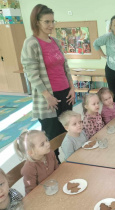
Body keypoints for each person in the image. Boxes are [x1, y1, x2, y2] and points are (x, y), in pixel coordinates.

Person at [21, 4, 75, 161]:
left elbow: (65, 66)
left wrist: (72, 87)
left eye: (53, 21)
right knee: (51, 137)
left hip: (66, 93)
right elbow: (32, 73)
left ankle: (71, 160)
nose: (51, 25)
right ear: (37, 22)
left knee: (67, 131)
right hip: (49, 97)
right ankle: (54, 166)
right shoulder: (31, 43)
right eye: (47, 22)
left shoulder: (55, 41)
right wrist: (47, 96)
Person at [14, 130, 59, 194]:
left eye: (46, 140)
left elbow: (57, 170)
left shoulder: (50, 153)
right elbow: (31, 191)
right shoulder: (29, 169)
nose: (48, 143)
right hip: (41, 194)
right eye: (42, 144)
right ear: (31, 152)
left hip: (54, 187)